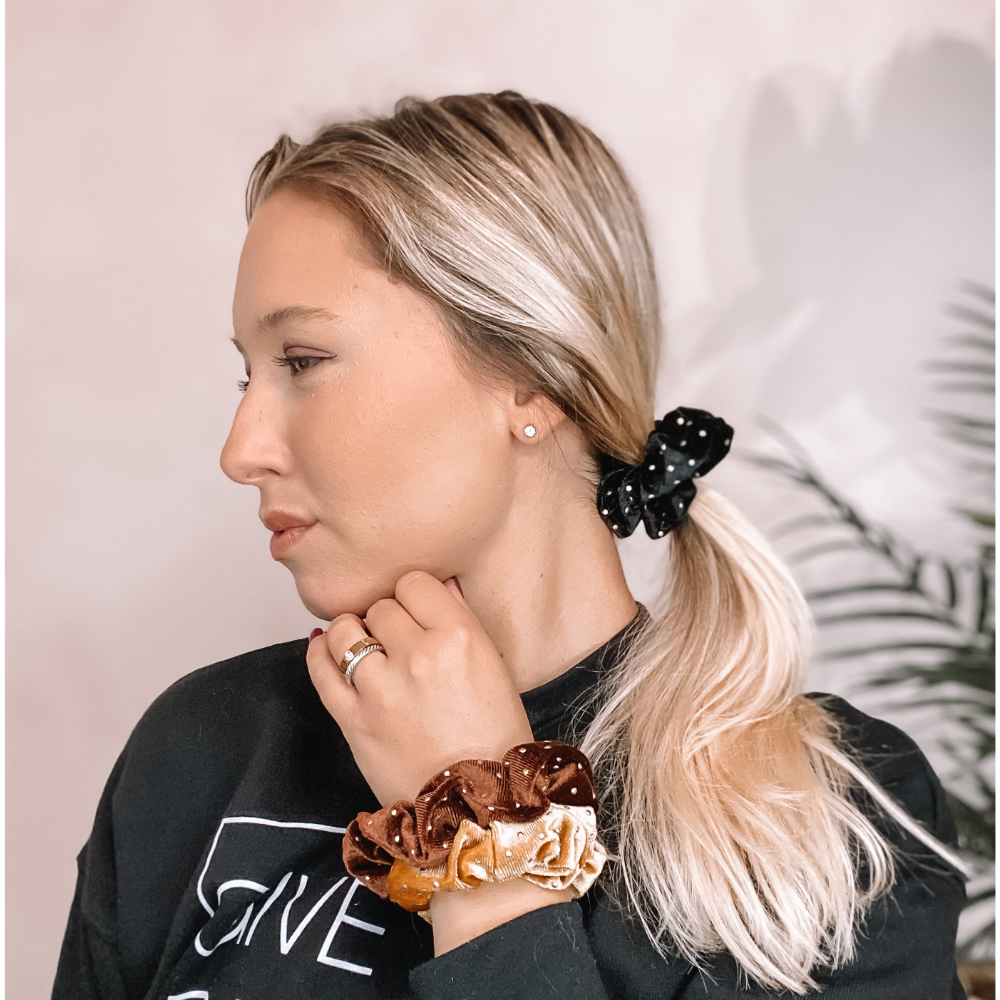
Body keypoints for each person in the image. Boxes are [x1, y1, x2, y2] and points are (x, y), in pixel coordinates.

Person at [52, 91, 967, 1000]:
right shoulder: (201, 749)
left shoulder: (823, 812)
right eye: (246, 376)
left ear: (532, 380)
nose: (240, 450)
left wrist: (484, 837)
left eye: (303, 362)